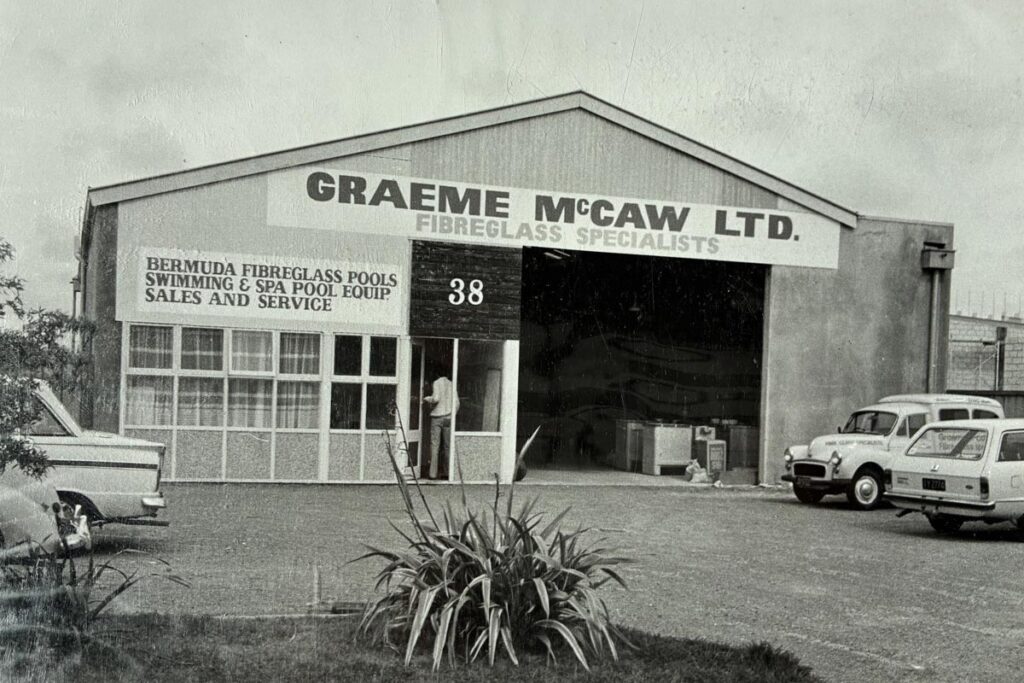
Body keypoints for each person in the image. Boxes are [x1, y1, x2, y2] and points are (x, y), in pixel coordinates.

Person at [423, 374, 459, 479]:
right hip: (448, 417)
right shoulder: (452, 384)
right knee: (447, 446)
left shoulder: (437, 382)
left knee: (435, 445)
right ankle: (447, 473)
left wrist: (426, 398)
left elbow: (436, 399)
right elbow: (457, 403)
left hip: (437, 417)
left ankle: (433, 474)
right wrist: (452, 415)